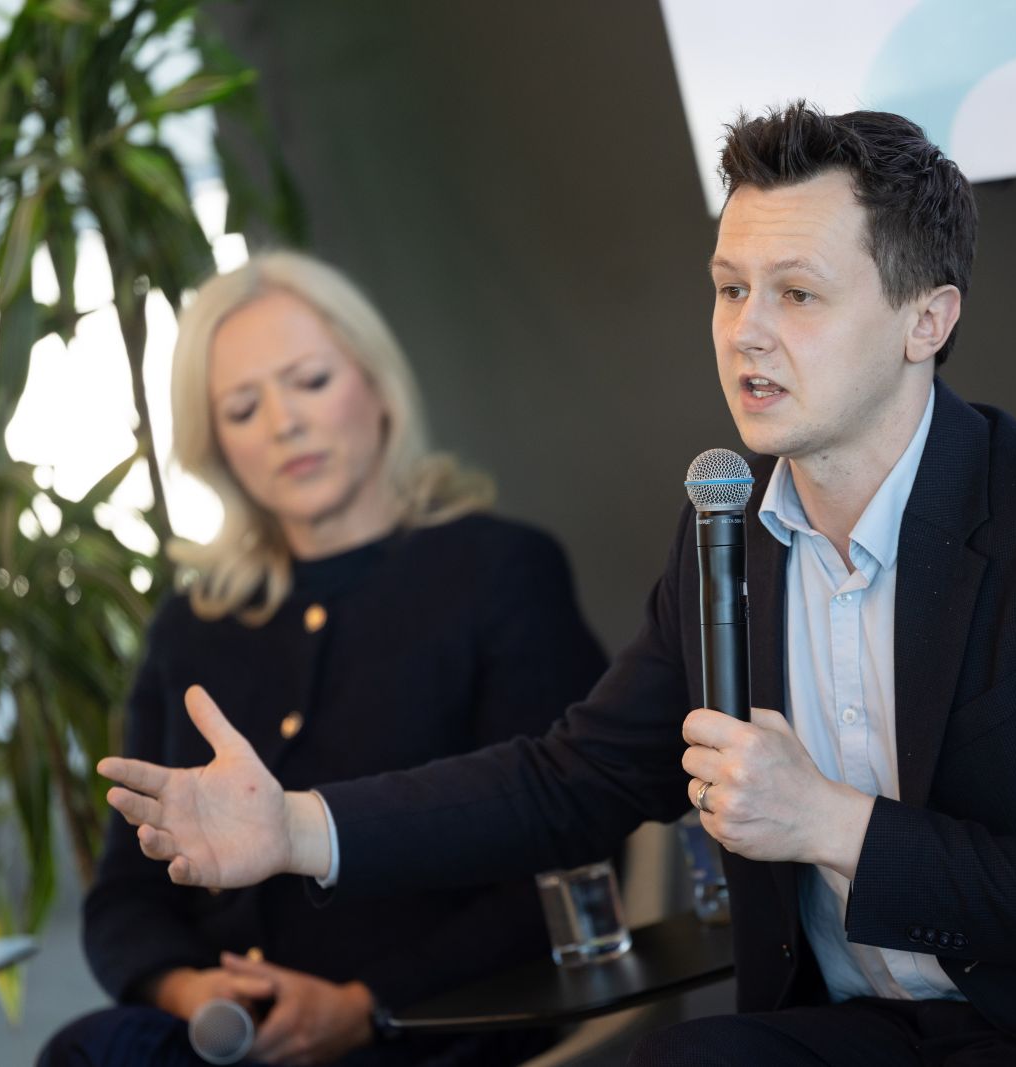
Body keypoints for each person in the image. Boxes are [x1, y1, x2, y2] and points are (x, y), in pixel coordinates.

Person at [99, 108, 1016, 1066]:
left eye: (797, 294)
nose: (745, 331)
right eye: (729, 287)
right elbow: (571, 777)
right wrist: (295, 829)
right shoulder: (728, 536)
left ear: (926, 318)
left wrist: (833, 825)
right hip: (863, 1029)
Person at [43, 251, 607, 1067]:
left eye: (308, 381)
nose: (283, 424)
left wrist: (364, 1004)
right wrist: (189, 990)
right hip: (232, 1041)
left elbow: (565, 847)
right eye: (242, 407)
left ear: (376, 385)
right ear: (218, 448)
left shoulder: (499, 571)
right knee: (90, 1050)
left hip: (442, 1021)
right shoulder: (187, 630)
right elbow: (126, 897)